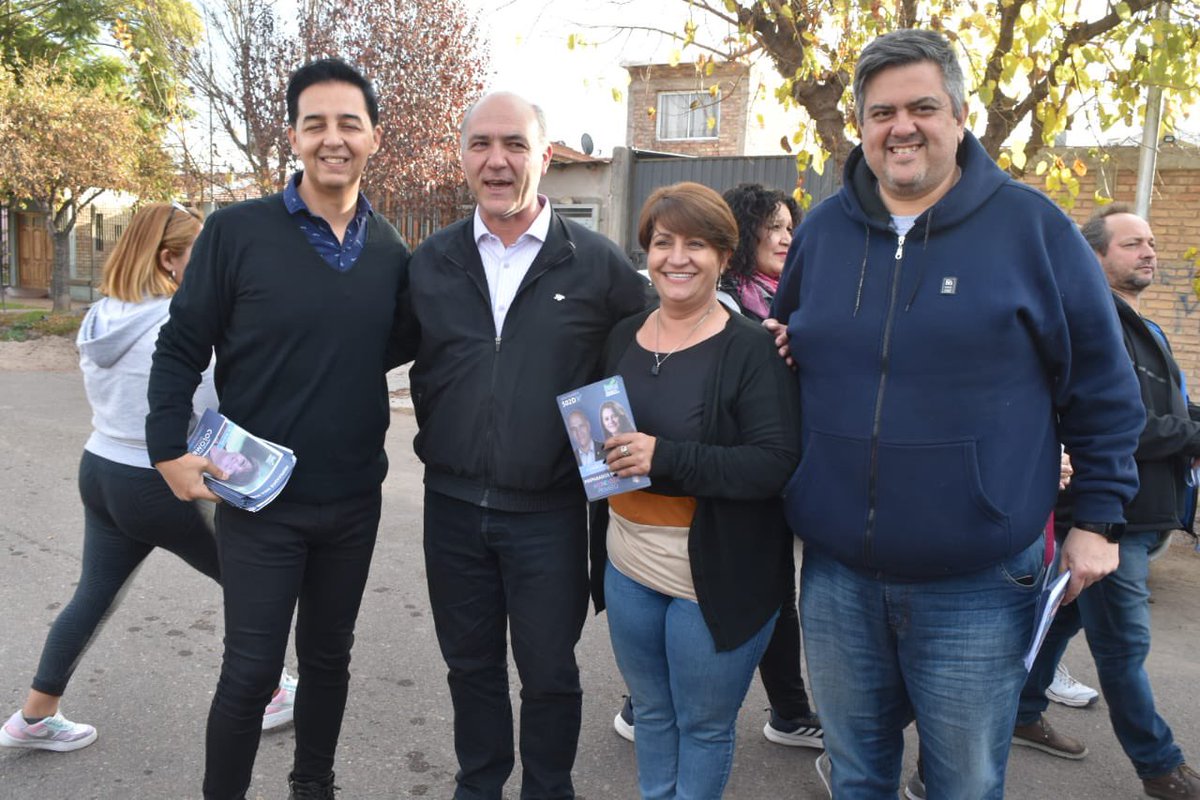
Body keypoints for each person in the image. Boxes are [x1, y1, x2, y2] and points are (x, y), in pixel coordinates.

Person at [770, 29, 1143, 798]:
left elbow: (1104, 389)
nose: (901, 127)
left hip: (978, 582)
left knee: (964, 786)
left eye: (922, 107)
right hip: (838, 575)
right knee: (856, 777)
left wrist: (1098, 519)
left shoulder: (1034, 231)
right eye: (881, 112)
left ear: (961, 115)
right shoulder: (823, 232)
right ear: (862, 125)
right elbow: (788, 345)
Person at [146, 58, 411, 800]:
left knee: (329, 660)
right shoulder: (236, 232)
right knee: (253, 671)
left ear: (374, 139)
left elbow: (387, 345)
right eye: (316, 123)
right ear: (293, 136)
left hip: (354, 499)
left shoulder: (390, 250)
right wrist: (167, 446)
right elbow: (180, 344)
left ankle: (312, 786)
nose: (333, 139)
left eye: (349, 124)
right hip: (259, 502)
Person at [403, 91, 645, 799]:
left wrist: (761, 345)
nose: (497, 160)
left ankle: (548, 789)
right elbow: (359, 349)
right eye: (481, 144)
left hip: (550, 513)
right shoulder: (431, 262)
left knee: (548, 671)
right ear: (463, 156)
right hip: (450, 506)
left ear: (544, 156)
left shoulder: (598, 267)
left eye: (514, 144)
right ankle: (478, 785)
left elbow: (664, 350)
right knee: (469, 666)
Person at [0, 204, 296, 755]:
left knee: (92, 595)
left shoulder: (103, 314)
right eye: (202, 254)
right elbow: (210, 409)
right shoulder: (175, 324)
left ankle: (35, 716)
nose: (215, 265)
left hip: (101, 471)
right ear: (168, 260)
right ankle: (272, 690)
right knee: (253, 582)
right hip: (157, 482)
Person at [589, 181, 800, 798]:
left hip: (714, 575)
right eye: (663, 242)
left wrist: (666, 456)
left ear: (724, 257)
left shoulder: (753, 349)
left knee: (703, 726)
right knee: (652, 713)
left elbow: (772, 465)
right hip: (628, 564)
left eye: (697, 245)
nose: (677, 258)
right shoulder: (623, 335)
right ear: (646, 251)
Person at [1013, 206, 1200, 799]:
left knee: (1062, 617)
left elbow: (1168, 404)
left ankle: (1019, 712)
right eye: (1131, 244)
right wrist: (1193, 434)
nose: (1149, 252)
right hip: (1109, 519)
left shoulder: (1143, 324)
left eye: (1150, 241)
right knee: (1123, 649)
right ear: (1096, 256)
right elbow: (1123, 426)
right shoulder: (1092, 325)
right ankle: (1160, 766)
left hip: (1146, 514)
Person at [718, 183, 800, 321]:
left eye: (789, 229)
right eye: (775, 227)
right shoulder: (722, 300)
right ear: (744, 233)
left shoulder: (797, 292)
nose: (788, 240)